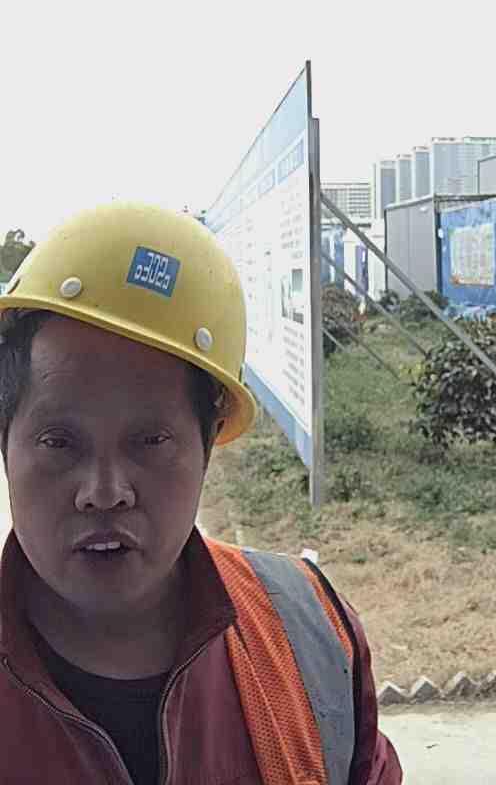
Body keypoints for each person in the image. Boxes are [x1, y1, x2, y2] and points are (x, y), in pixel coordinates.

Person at [0, 202, 402, 784]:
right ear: (6, 441)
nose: (104, 493)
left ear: (208, 442)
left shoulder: (308, 634)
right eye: (59, 442)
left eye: (150, 441)